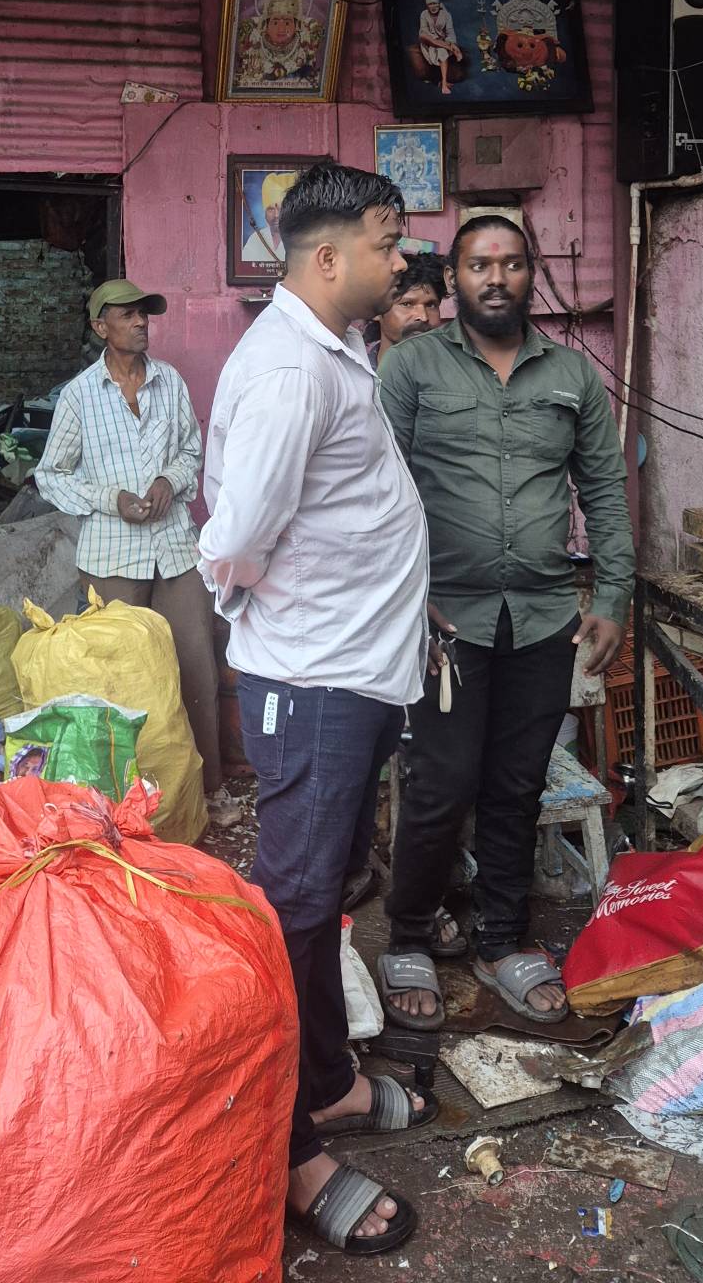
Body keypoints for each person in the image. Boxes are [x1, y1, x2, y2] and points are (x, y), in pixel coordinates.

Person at [199, 161, 435, 1258]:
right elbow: (238, 537)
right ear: (330, 257)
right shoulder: (293, 370)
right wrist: (267, 613)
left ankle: (329, 1081)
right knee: (292, 912)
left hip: (354, 672)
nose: (403, 259)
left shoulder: (336, 347)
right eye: (389, 243)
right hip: (314, 679)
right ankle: (289, 1148)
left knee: (326, 894)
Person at [377, 214, 634, 1027]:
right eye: (479, 264)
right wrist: (402, 599)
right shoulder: (412, 367)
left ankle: (500, 938)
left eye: (513, 263)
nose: (496, 278)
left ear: (532, 274)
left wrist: (613, 598)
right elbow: (379, 490)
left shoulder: (573, 375)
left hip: (543, 616)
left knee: (518, 785)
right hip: (443, 619)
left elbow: (603, 489)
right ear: (454, 278)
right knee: (442, 782)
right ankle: (408, 932)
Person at [34, 279, 241, 831]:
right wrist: (112, 500)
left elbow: (191, 451)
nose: (141, 322)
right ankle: (124, 803)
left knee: (195, 669)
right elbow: (50, 475)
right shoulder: (80, 395)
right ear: (100, 327)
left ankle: (207, 789)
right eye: (127, 316)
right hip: (111, 556)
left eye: (143, 314)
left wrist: (168, 483)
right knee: (119, 678)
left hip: (174, 549)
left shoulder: (169, 382)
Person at [368, 251, 447, 367]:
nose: (423, 316)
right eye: (407, 304)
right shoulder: (353, 373)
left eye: (431, 305)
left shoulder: (456, 372)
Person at [240, 170, 298, 268]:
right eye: (271, 209)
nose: (276, 215)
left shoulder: (302, 238)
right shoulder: (256, 239)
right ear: (264, 212)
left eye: (281, 208)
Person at [418, 0, 462, 96]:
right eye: (430, 4)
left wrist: (451, 43)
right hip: (428, 41)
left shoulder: (446, 15)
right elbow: (424, 31)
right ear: (427, 6)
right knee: (423, 35)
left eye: (435, 3)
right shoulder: (424, 14)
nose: (433, 6)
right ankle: (452, 49)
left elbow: (450, 31)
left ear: (439, 4)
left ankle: (444, 84)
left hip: (442, 42)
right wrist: (447, 44)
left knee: (442, 52)